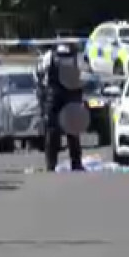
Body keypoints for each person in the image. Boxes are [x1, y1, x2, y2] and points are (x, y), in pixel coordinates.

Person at [37, 42, 85, 172]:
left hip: (54, 97)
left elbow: (41, 73)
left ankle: (51, 164)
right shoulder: (77, 57)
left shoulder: (50, 55)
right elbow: (83, 76)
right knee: (73, 132)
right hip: (72, 96)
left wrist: (43, 95)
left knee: (52, 131)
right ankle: (76, 163)